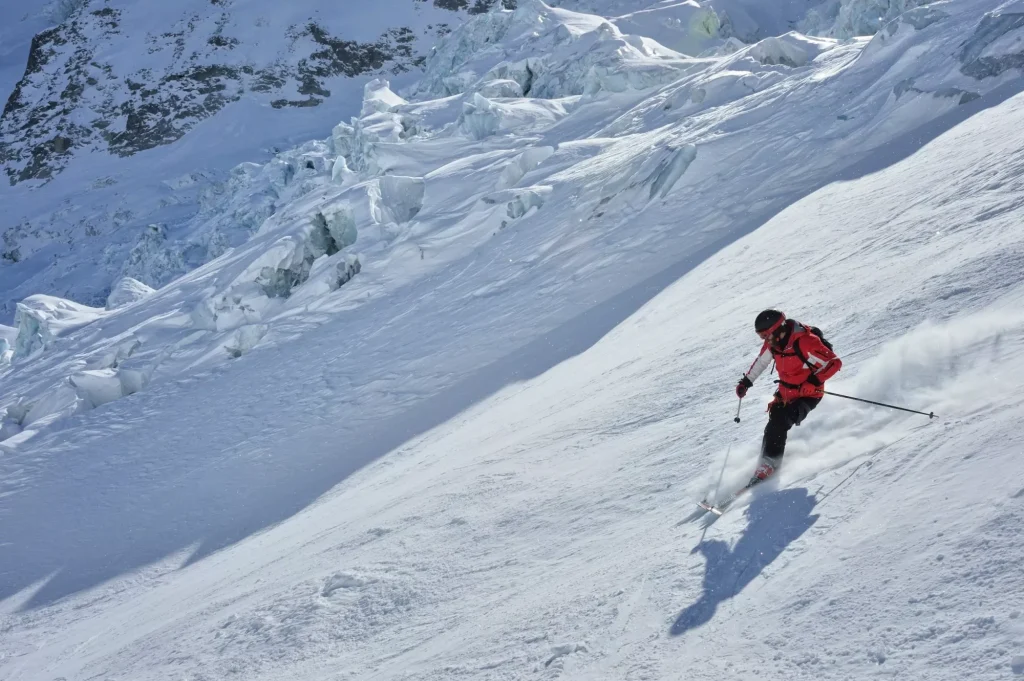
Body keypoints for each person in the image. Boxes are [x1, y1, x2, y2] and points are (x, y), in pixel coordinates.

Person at [734, 309, 842, 484]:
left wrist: (814, 381)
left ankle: (769, 465)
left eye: (765, 335)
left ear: (777, 330)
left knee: (780, 421)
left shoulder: (806, 341)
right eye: (761, 337)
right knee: (773, 424)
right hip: (785, 393)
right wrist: (746, 382)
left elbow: (834, 363)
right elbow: (761, 361)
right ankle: (765, 463)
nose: (764, 340)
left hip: (808, 394)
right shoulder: (773, 344)